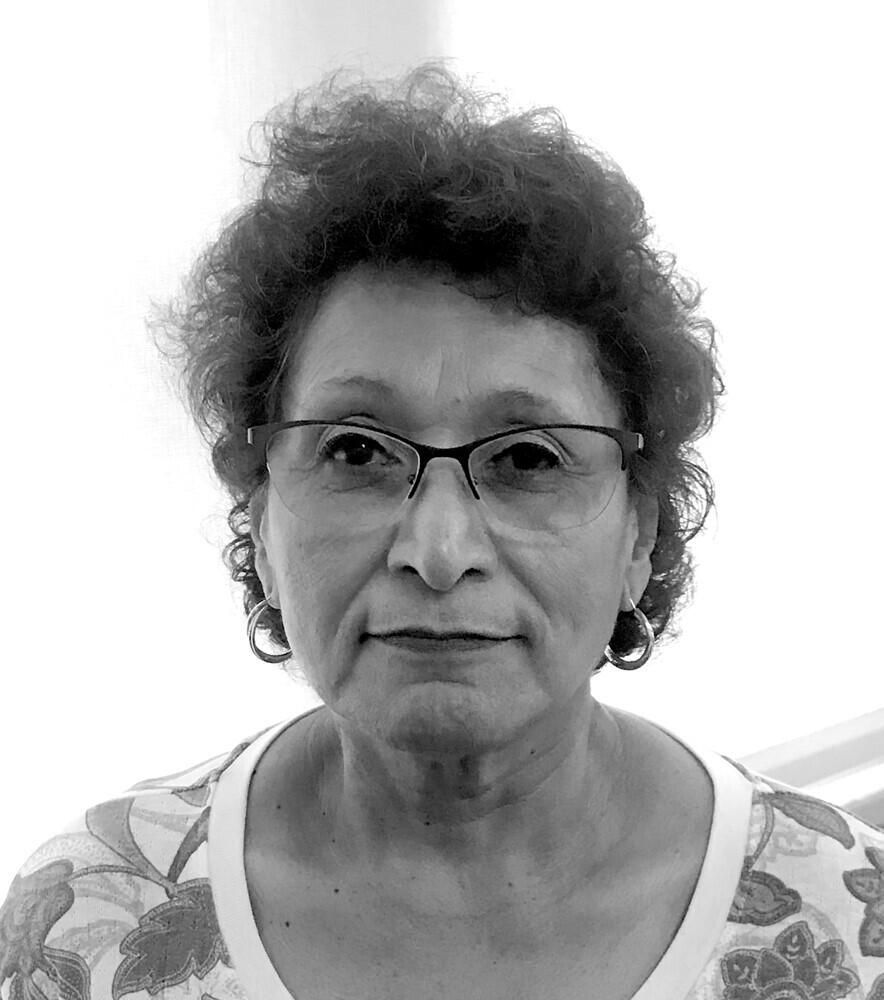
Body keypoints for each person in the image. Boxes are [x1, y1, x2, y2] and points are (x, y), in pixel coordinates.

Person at [2, 64, 882, 1000]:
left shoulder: (848, 927)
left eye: (529, 457)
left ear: (640, 537)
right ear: (258, 521)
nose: (437, 550)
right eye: (354, 450)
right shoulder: (91, 925)